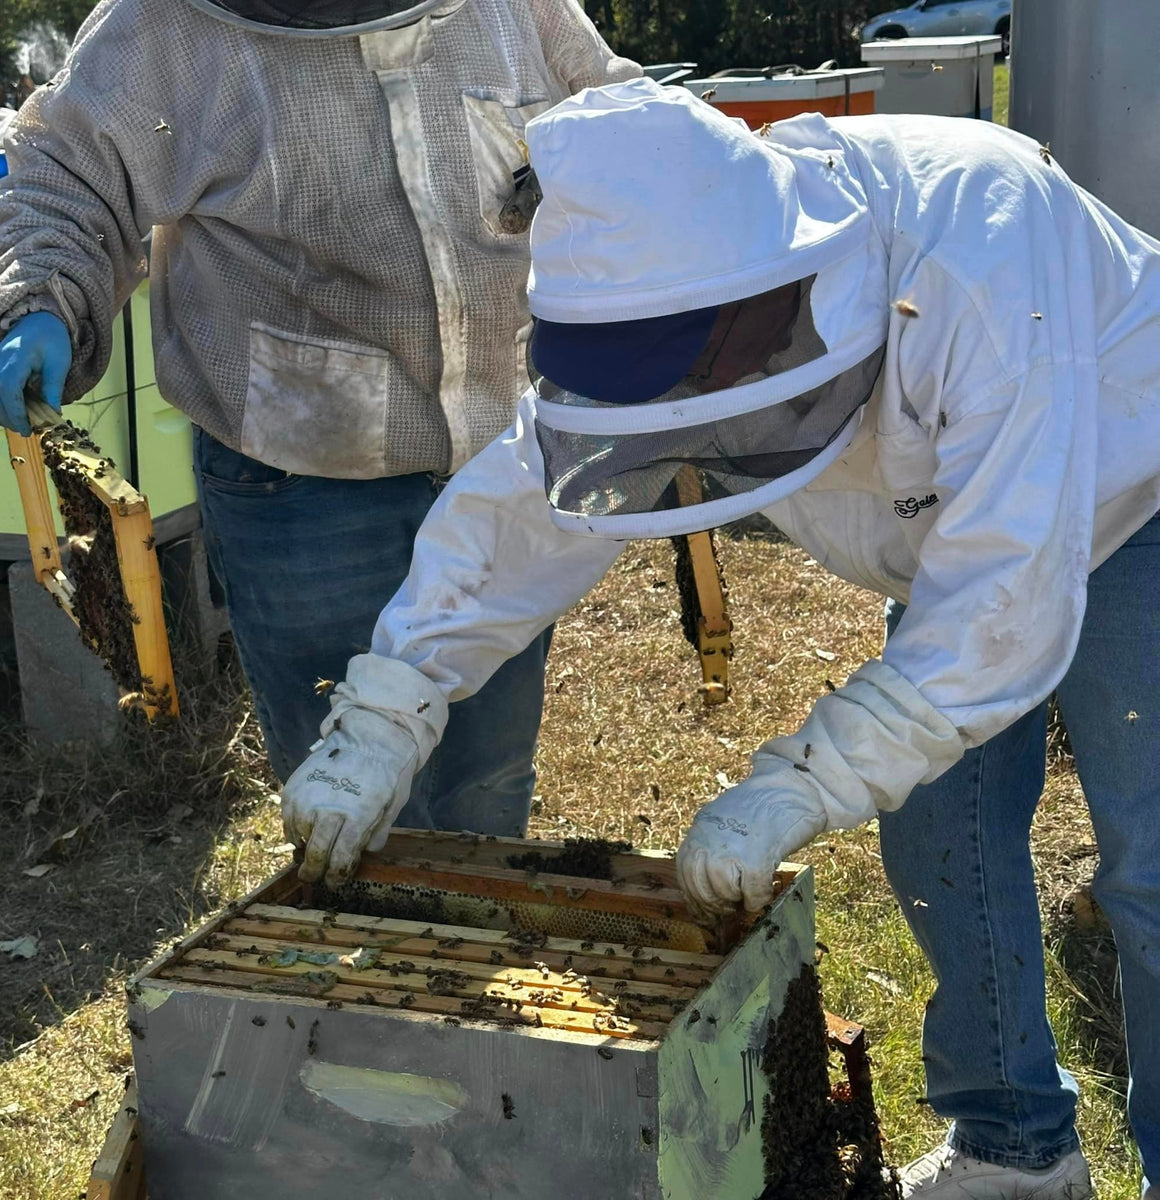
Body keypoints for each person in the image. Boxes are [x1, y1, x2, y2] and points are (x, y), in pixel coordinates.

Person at [279, 79, 1160, 1196]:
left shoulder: (978, 245)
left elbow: (1006, 598)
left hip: (1136, 491)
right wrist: (389, 706)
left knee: (1152, 878)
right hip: (949, 534)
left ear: (765, 297)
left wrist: (800, 781)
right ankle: (1016, 1153)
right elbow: (522, 512)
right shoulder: (659, 266)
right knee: (948, 850)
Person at [0, 0, 638, 832]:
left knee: (484, 772)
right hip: (295, 491)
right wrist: (42, 295)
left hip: (496, 469)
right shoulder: (167, 26)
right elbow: (67, 173)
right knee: (347, 796)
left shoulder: (515, 8)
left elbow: (621, 116)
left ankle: (466, 937)